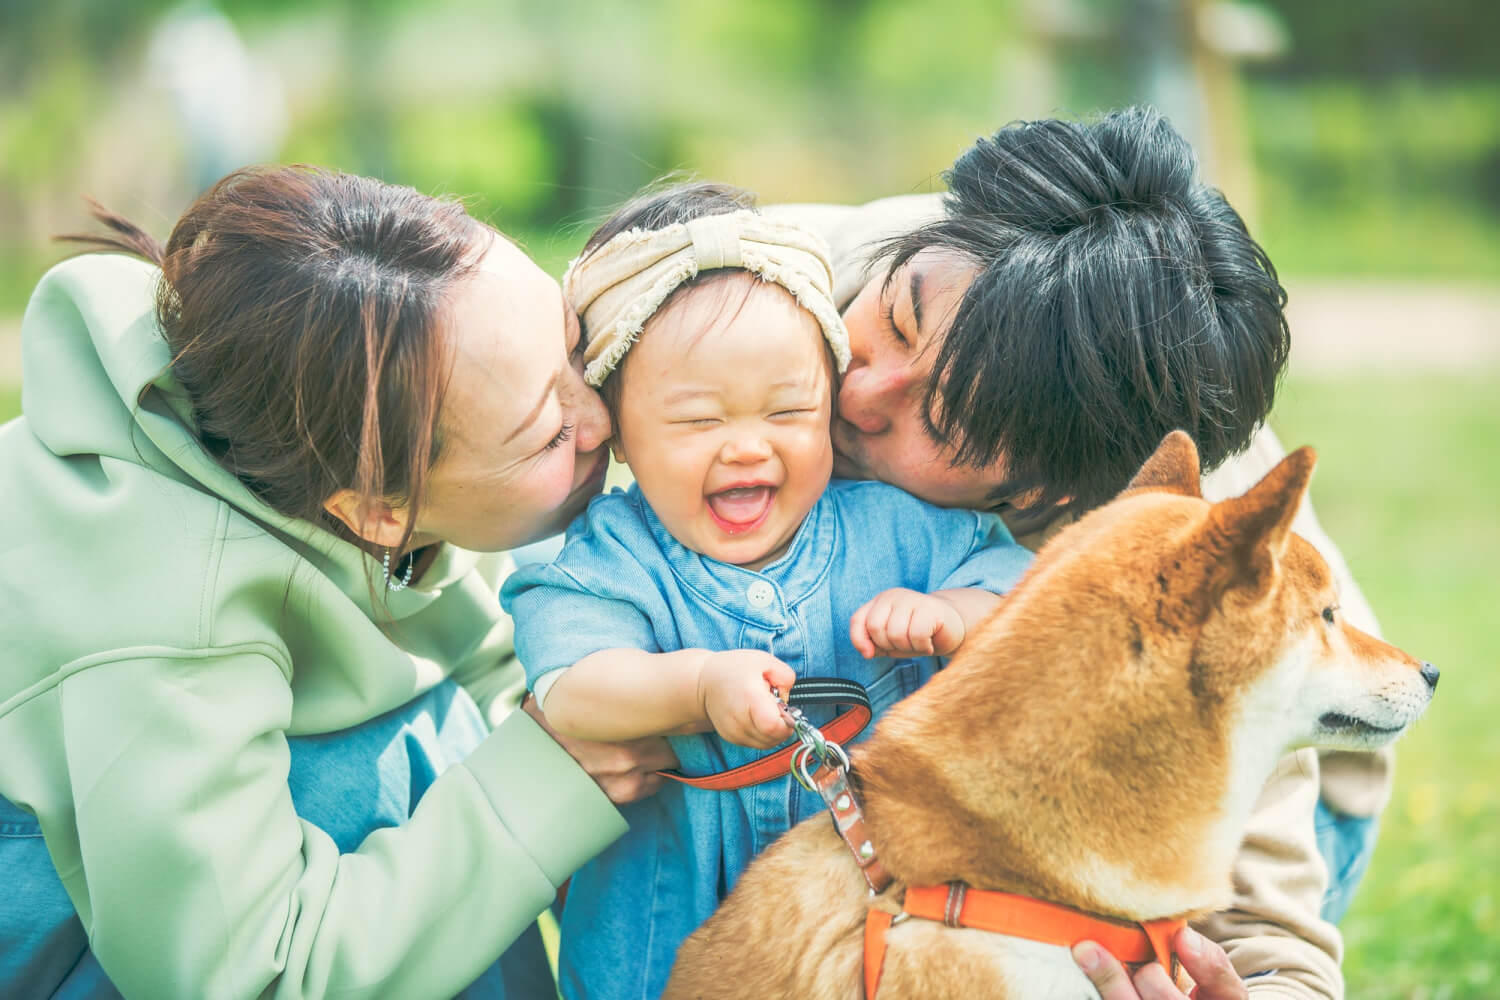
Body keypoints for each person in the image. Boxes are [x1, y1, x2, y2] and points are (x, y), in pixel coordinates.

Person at [760, 106, 1389, 999]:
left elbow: (1276, 944)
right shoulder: (770, 290)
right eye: (896, 320)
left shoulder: (1154, 534)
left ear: (1050, 495)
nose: (859, 392)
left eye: (939, 421)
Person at [0, 165, 662, 999]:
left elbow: (485, 647)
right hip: (72, 933)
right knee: (410, 763)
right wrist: (552, 779)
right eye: (549, 432)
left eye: (575, 349)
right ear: (374, 512)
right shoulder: (166, 621)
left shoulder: (312, 408)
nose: (602, 417)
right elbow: (246, 974)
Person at [500, 183, 1034, 1000]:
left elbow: (1020, 589)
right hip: (663, 928)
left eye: (789, 410)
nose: (748, 447)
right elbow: (572, 685)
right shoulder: (613, 555)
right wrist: (696, 687)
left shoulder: (894, 529)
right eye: (696, 422)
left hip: (861, 922)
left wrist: (952, 615)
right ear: (619, 428)